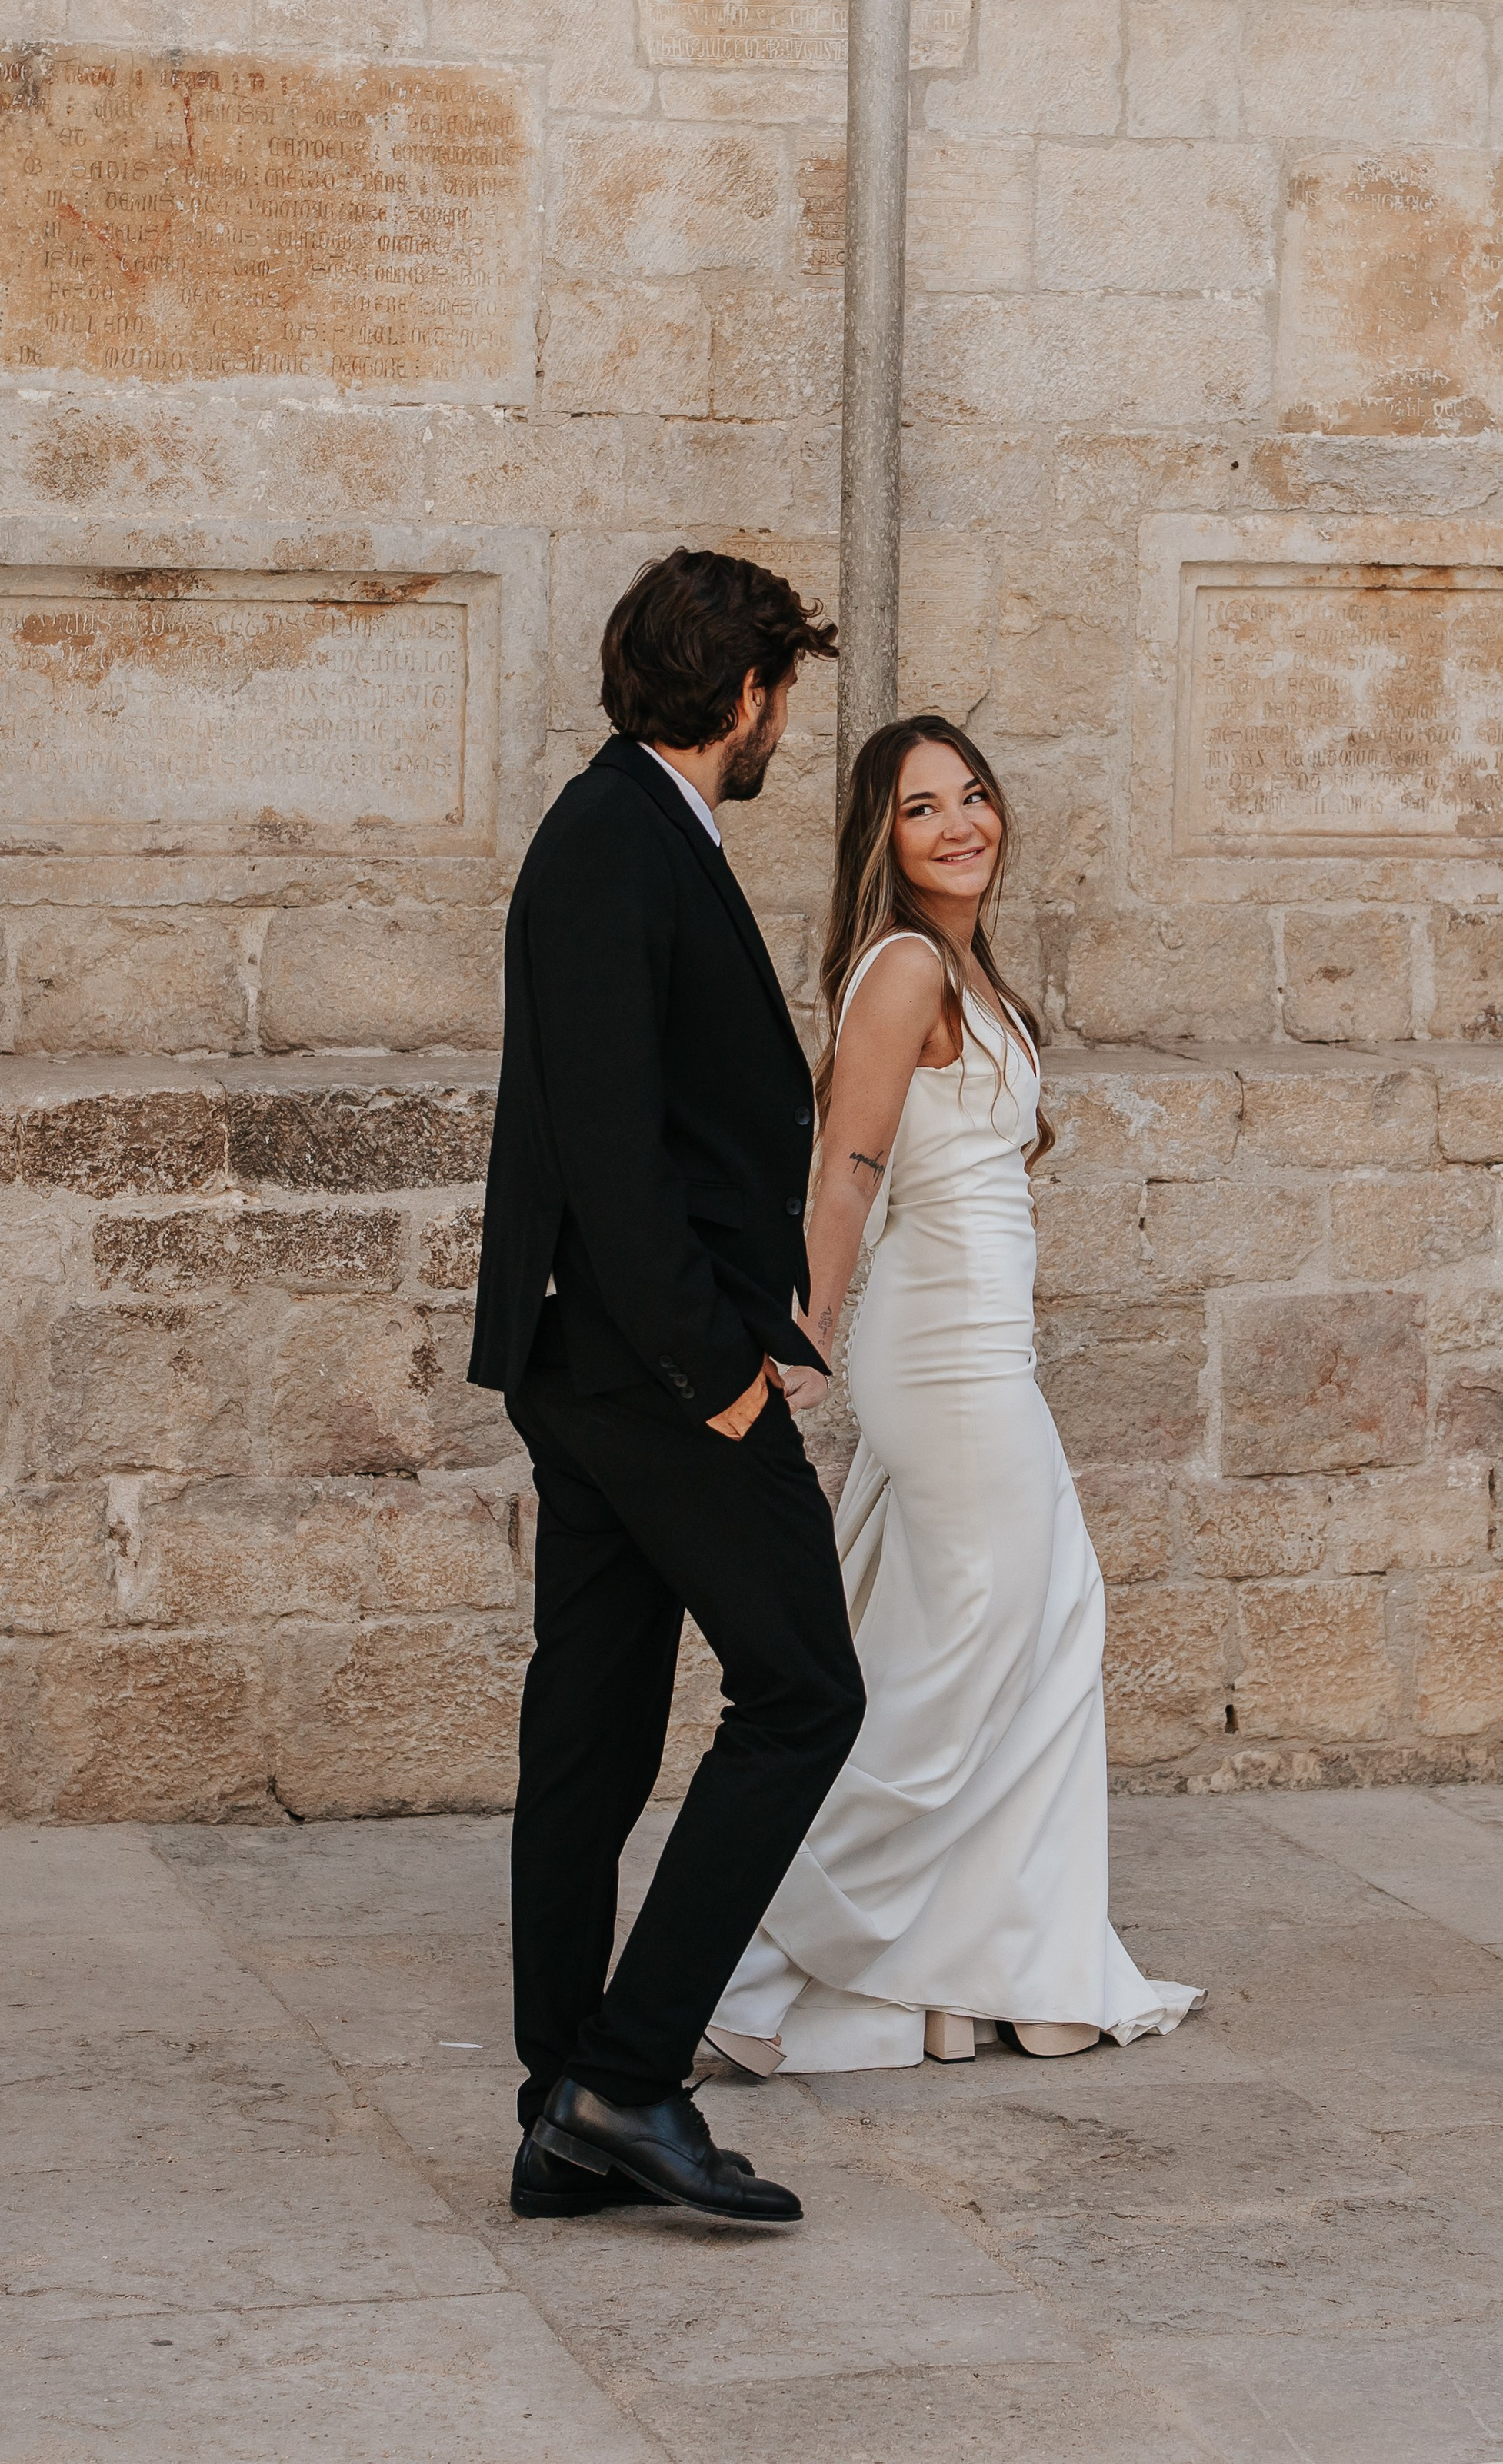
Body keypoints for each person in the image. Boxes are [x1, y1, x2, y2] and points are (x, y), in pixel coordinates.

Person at [704, 714, 1200, 2074]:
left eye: (972, 797)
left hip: (990, 1354)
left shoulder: (963, 967)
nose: (959, 825)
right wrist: (798, 1343)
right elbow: (845, 1174)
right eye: (923, 809)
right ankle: (740, 1963)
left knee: (1041, 1633)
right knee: (952, 1668)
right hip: (944, 1361)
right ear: (885, 837)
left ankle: (991, 1970)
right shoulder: (906, 966)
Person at [469, 548, 865, 2228]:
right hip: (649, 1365)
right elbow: (614, 1154)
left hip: (602, 1358)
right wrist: (715, 1368)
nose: (784, 724)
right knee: (805, 1695)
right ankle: (626, 2079)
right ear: (748, 693)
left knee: (596, 1724)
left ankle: (566, 2107)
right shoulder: (611, 844)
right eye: (785, 691)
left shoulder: (627, 830)